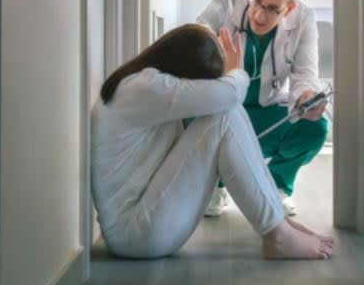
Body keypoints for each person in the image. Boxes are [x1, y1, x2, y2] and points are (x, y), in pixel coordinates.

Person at [90, 23, 334, 260]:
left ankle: (277, 221)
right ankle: (277, 233)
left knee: (228, 111)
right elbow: (230, 93)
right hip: (135, 235)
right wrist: (235, 69)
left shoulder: (140, 82)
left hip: (141, 225)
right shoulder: (144, 88)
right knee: (225, 113)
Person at [196, 0, 329, 218]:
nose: (259, 14)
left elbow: (305, 75)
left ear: (288, 9)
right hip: (221, 113)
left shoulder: (303, 19)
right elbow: (189, 54)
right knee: (188, 115)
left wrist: (306, 98)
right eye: (256, 0)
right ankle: (215, 182)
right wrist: (220, 67)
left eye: (272, 9)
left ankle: (275, 187)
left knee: (316, 127)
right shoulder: (222, 8)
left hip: (265, 114)